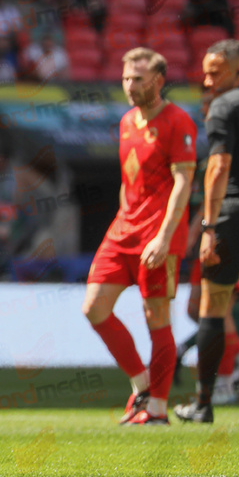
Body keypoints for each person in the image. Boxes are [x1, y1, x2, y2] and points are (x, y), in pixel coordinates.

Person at [82, 47, 196, 425]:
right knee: (95, 307)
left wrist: (164, 237)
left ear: (159, 81)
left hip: (158, 233)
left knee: (157, 317)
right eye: (126, 78)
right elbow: (128, 180)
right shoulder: (127, 121)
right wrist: (122, 218)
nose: (130, 86)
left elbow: (184, 183)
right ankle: (141, 385)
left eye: (138, 79)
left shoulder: (178, 121)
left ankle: (158, 408)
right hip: (123, 229)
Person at [175, 40, 239, 422]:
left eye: (216, 71)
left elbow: (218, 167)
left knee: (212, 308)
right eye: (206, 71)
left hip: (232, 213)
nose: (208, 79)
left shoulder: (224, 106)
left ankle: (204, 402)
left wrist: (209, 226)